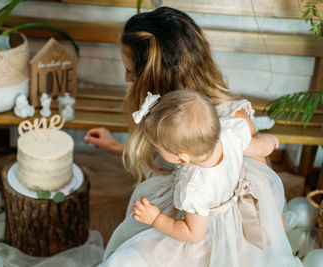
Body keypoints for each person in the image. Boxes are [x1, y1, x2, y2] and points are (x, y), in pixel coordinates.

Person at [83, 6, 287, 261]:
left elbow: (263, 188)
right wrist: (116, 146)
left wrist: (277, 249)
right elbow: (172, 157)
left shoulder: (229, 119)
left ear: (159, 76)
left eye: (131, 72)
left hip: (212, 234)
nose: (126, 78)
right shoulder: (172, 113)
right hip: (181, 214)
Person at [102, 90, 296, 266]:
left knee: (138, 256)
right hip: (237, 216)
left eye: (159, 148)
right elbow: (260, 147)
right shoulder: (230, 132)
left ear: (182, 157)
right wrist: (272, 141)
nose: (156, 150)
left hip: (207, 231)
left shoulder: (195, 187)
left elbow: (193, 234)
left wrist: (156, 218)